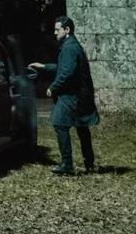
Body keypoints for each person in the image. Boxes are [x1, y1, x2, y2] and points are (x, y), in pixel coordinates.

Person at [28, 15, 98, 175]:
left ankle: (67, 164)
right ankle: (89, 162)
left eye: (57, 29)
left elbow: (66, 72)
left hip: (73, 95)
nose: (54, 32)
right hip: (79, 94)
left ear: (67, 30)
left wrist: (53, 87)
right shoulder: (71, 46)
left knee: (60, 123)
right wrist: (44, 66)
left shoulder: (70, 48)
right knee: (81, 128)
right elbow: (62, 67)